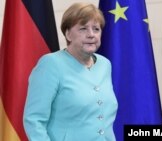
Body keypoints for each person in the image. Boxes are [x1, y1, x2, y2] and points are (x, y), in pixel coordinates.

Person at [23, 2, 118, 141]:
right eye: (83, 29)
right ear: (68, 34)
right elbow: (34, 119)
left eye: (96, 29)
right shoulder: (50, 64)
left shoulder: (105, 64)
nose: (91, 35)